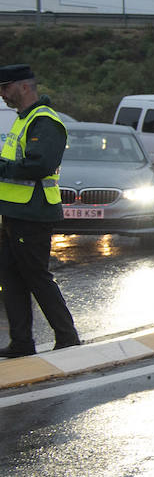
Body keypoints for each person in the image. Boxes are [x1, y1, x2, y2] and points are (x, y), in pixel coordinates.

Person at [0, 63, 80, 357]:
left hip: (32, 214)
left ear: (24, 87)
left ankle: (67, 337)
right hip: (14, 213)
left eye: (5, 88)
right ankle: (21, 343)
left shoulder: (45, 122)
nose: (2, 95)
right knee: (10, 278)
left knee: (35, 276)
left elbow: (39, 165)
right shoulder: (23, 120)